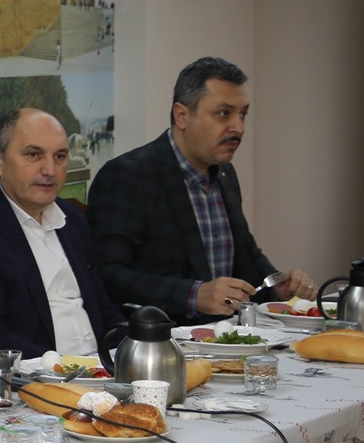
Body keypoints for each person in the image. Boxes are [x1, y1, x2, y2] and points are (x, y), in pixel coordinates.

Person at [87, 57, 313, 324]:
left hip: (227, 335)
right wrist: (193, 295)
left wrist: (276, 285)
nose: (238, 128)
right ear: (182, 116)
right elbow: (106, 274)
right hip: (164, 337)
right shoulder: (128, 175)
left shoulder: (225, 174)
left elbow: (247, 254)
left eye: (242, 114)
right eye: (224, 114)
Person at [0, 108, 123, 358]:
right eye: (34, 155)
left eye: (60, 156)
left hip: (102, 369)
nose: (50, 170)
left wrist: (130, 350)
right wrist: (68, 369)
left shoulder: (72, 219)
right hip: (39, 375)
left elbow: (103, 309)